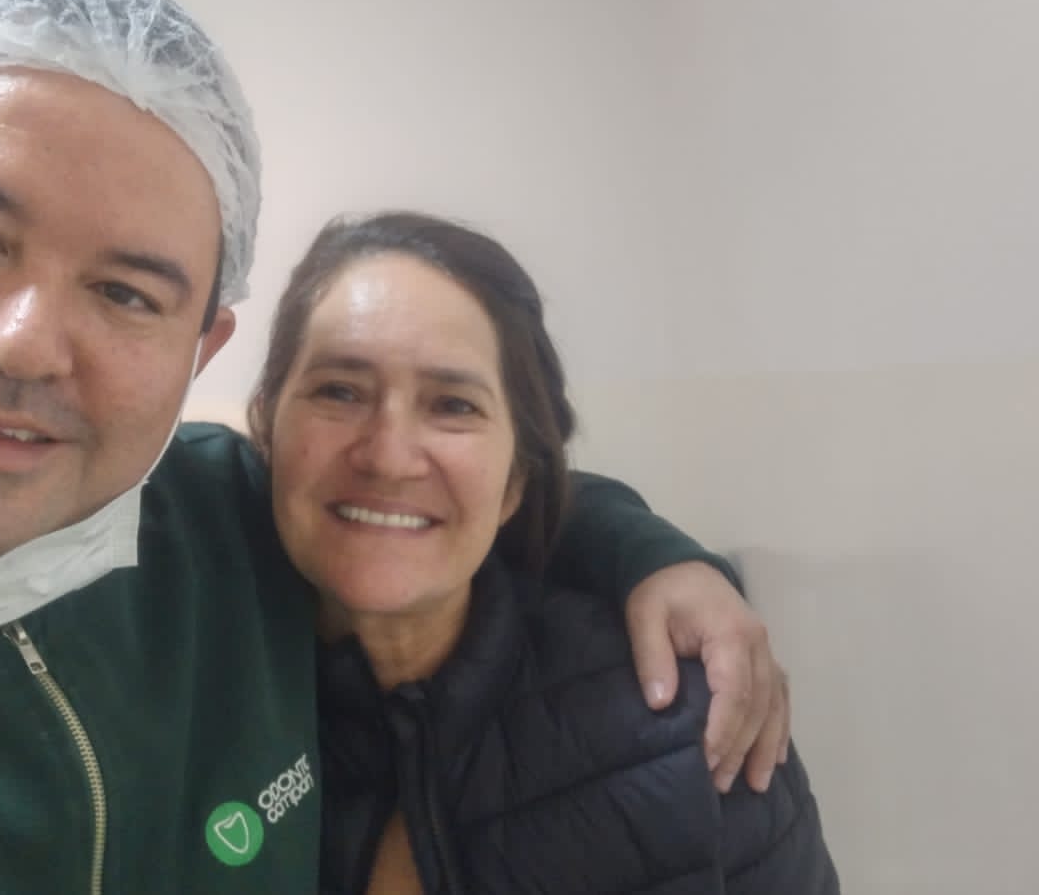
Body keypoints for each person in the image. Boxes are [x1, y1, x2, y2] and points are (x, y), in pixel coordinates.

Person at [0, 0, 789, 892]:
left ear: (202, 348)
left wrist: (658, 557)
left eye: (126, 293)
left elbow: (429, 500)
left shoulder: (212, 517)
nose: (25, 344)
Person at [245, 211, 838, 894]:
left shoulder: (694, 729)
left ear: (516, 481)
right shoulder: (192, 689)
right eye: (339, 391)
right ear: (266, 426)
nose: (388, 456)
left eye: (453, 405)